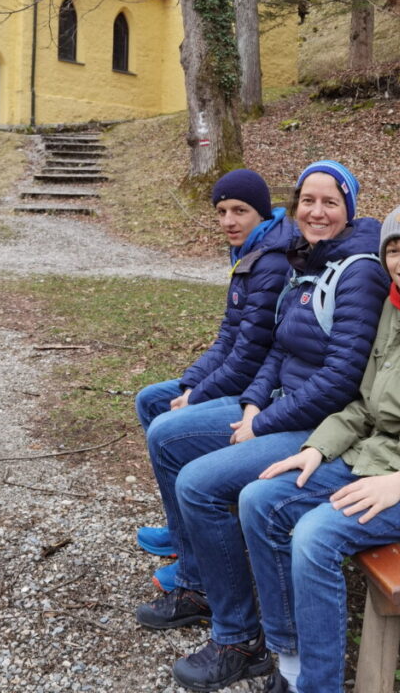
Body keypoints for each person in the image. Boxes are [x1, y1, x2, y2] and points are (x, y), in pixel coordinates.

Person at [170, 200, 400, 693]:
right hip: (375, 461)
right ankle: (289, 659)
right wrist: (318, 447)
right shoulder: (399, 313)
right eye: (394, 250)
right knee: (259, 499)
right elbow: (364, 405)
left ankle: (318, 685)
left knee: (316, 535)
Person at [135, 159, 389, 630]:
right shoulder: (310, 262)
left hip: (320, 429)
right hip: (278, 408)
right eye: (307, 202)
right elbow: (275, 346)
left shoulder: (358, 274)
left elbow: (339, 381)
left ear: (348, 210)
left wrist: (261, 422)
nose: (316, 212)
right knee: (166, 434)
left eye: (329, 203)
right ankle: (201, 582)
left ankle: (235, 631)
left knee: (193, 476)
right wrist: (254, 401)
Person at [134, 169, 298, 585]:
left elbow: (248, 356)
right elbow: (228, 336)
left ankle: (195, 567)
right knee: (152, 400)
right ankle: (181, 532)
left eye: (239, 210)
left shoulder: (272, 262)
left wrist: (198, 394)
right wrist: (191, 383)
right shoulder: (248, 253)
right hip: (242, 377)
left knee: (165, 431)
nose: (228, 220)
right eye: (221, 211)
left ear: (261, 212)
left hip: (259, 389)